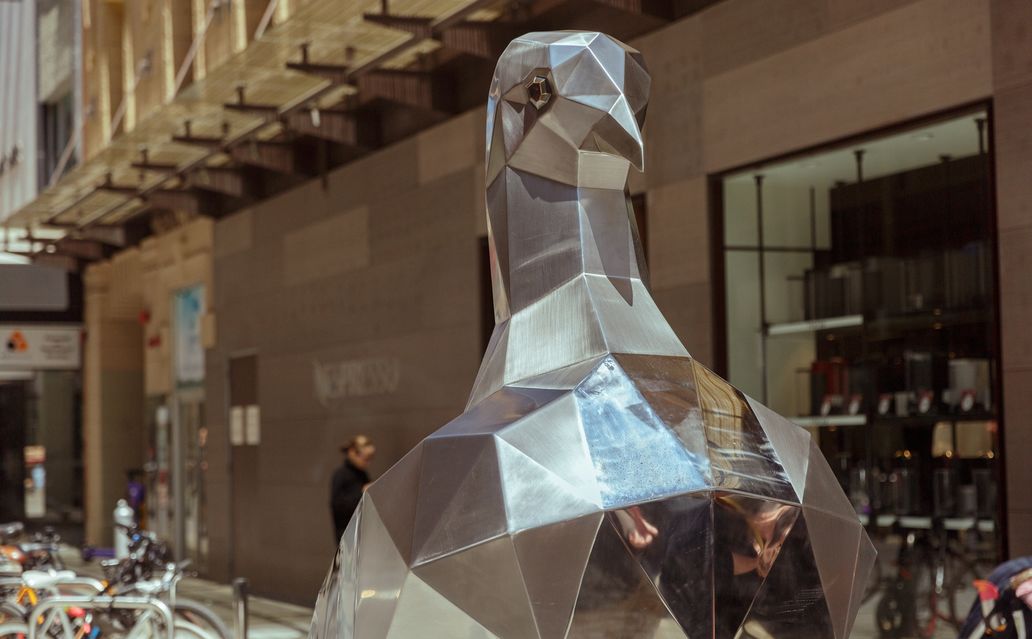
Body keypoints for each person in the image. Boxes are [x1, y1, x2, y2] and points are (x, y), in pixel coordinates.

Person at [330, 435, 375, 544]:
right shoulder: (341, 474)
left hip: (363, 532)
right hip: (347, 534)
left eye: (369, 459)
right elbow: (338, 506)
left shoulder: (363, 475)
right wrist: (361, 493)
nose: (368, 463)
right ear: (353, 453)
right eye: (365, 459)